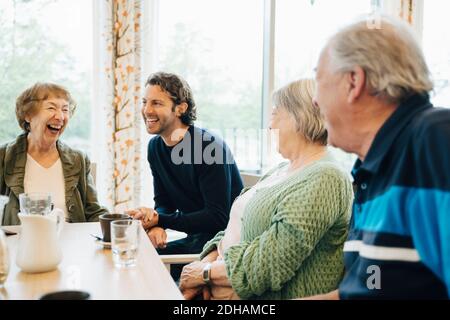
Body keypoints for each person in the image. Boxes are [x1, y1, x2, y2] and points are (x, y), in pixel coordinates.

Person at [309, 17, 450, 299]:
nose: (314, 100)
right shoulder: (369, 170)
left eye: (319, 81)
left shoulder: (434, 140)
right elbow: (361, 291)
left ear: (353, 82)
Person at [179, 79, 353, 300]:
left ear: (299, 117)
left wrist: (205, 274)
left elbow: (271, 261)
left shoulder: (326, 177)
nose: (270, 126)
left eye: (275, 114)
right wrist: (204, 264)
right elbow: (235, 227)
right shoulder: (280, 170)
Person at [127, 72, 243, 277]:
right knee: (130, 255)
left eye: (156, 103)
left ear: (181, 108)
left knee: (138, 266)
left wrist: (161, 220)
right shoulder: (155, 147)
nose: (146, 110)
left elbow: (218, 218)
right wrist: (156, 224)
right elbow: (164, 201)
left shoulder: (208, 147)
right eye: (144, 102)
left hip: (223, 246)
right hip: (196, 241)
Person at [0, 82, 108, 225]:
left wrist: (120, 223)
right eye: (51, 108)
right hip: (19, 244)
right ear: (28, 115)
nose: (60, 117)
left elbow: (93, 212)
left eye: (65, 109)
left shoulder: (78, 160)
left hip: (71, 243)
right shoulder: (4, 157)